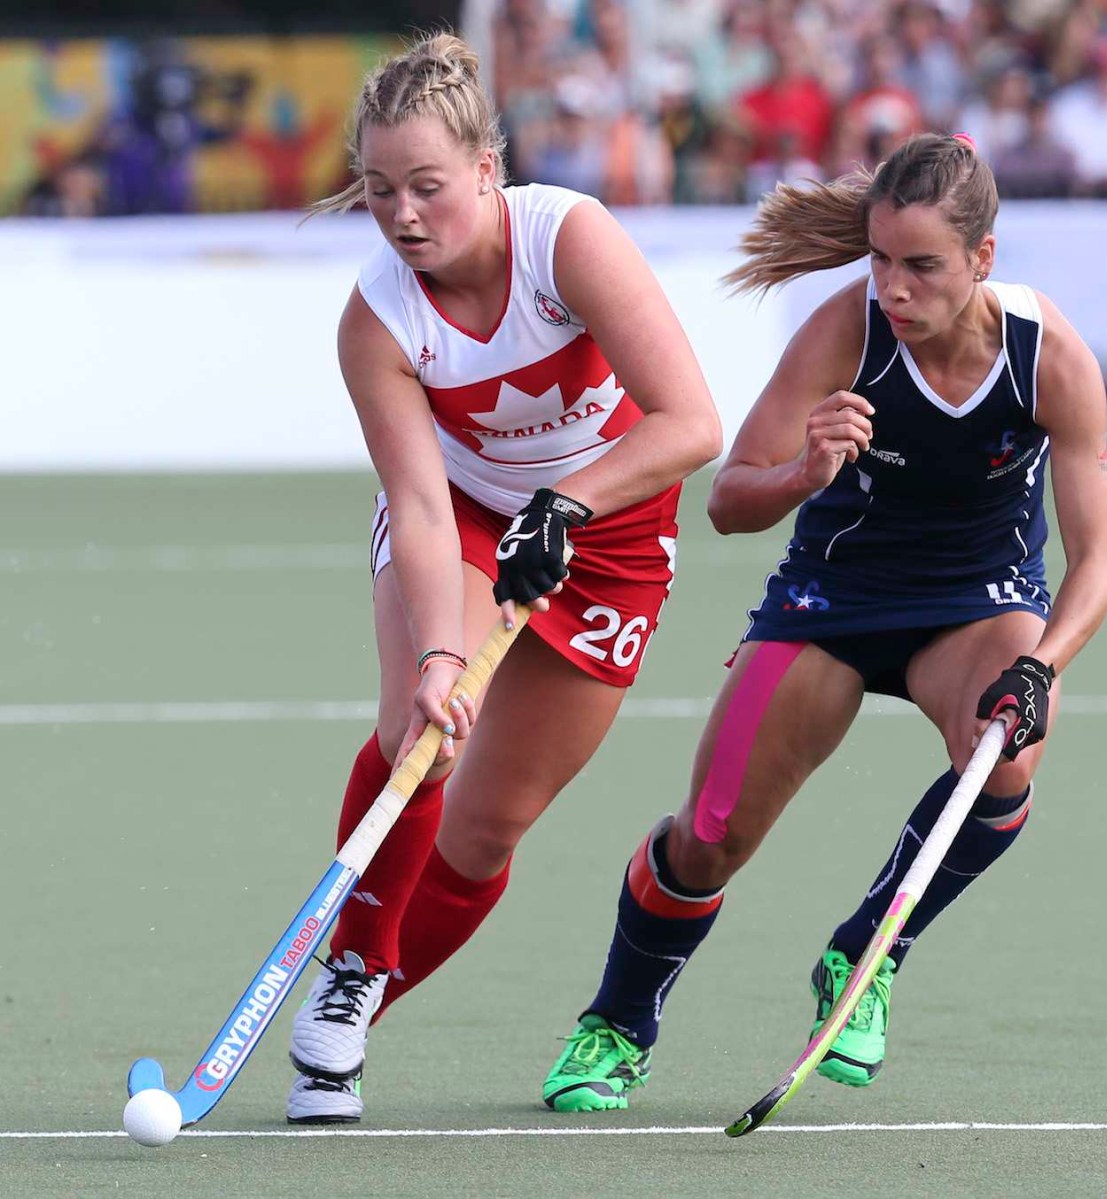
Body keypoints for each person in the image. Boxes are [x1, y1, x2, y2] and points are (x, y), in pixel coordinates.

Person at [542, 132, 1107, 1113]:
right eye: (881, 259)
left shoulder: (1047, 356)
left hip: (976, 603)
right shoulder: (840, 333)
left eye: (922, 266)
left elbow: (1095, 555)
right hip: (829, 602)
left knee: (1011, 746)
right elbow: (728, 500)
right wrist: (806, 470)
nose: (894, 287)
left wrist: (1042, 667)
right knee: (709, 836)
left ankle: (864, 952)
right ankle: (615, 1021)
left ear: (982, 259)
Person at [283, 31, 722, 1123]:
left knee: (484, 831)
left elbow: (690, 423)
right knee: (423, 734)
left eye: (427, 186)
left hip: (609, 530)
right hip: (471, 519)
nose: (402, 214)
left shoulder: (566, 239)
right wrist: (441, 653)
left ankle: (356, 1011)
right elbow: (423, 502)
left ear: (489, 167)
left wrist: (567, 502)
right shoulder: (377, 319)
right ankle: (346, 973)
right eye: (379, 190)